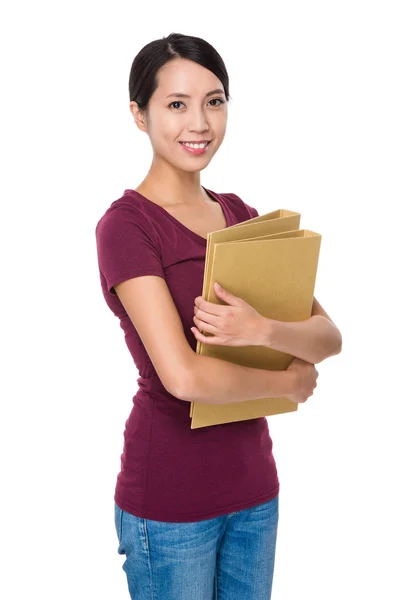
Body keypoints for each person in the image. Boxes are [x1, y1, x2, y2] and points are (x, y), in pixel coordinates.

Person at [95, 32, 319, 600]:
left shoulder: (241, 215)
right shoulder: (127, 226)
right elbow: (184, 377)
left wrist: (263, 330)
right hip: (170, 505)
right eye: (176, 104)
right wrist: (289, 381)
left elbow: (328, 334)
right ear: (139, 115)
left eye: (214, 101)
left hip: (254, 493)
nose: (199, 123)